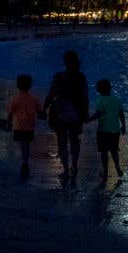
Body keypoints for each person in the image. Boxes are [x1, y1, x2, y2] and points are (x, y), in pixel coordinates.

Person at [43, 50, 89, 178]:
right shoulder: (81, 77)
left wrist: (44, 108)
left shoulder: (58, 77)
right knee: (75, 140)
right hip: (77, 113)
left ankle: (66, 170)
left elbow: (51, 94)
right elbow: (85, 97)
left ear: (65, 62)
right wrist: (85, 113)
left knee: (62, 141)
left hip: (60, 112)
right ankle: (74, 166)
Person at [87, 79, 126, 179]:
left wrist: (89, 119)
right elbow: (121, 114)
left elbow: (98, 114)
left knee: (104, 151)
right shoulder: (116, 100)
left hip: (103, 130)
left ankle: (105, 172)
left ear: (99, 90)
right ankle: (118, 168)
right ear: (110, 88)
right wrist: (123, 126)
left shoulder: (100, 100)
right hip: (115, 130)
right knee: (114, 150)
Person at [6, 75, 43, 179]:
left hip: (18, 125)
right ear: (30, 85)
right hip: (29, 126)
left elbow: (10, 113)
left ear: (17, 85)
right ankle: (25, 162)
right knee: (26, 144)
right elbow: (40, 112)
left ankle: (24, 162)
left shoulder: (15, 98)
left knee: (23, 144)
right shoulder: (34, 98)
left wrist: (8, 123)